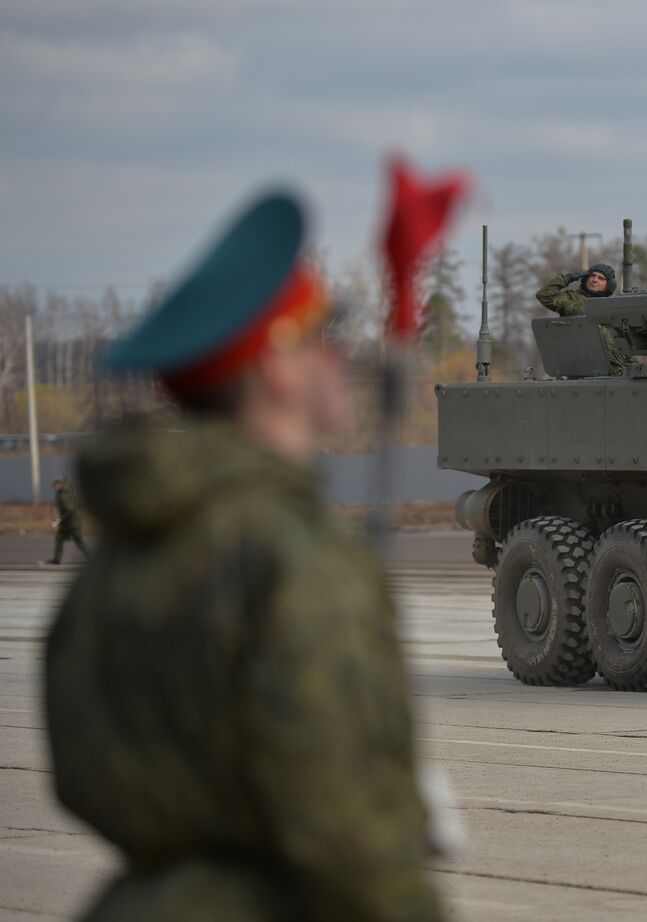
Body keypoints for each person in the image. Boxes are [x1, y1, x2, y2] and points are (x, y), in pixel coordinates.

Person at [44, 190, 444, 921]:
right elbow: (350, 837)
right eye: (325, 333)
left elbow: (84, 773)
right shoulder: (291, 559)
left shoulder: (126, 551)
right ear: (280, 368)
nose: (342, 357)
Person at [535, 263, 625, 373]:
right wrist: (567, 278)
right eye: (592, 276)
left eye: (601, 278)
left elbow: (625, 342)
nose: (595, 280)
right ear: (586, 278)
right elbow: (544, 296)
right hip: (584, 367)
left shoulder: (612, 307)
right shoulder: (572, 299)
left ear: (608, 285)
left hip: (616, 371)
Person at [49, 476, 88, 565]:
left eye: (56, 485)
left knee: (80, 543)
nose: (54, 487)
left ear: (60, 485)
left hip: (74, 524)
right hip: (67, 524)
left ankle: (91, 558)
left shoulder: (64, 495)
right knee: (59, 538)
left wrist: (58, 520)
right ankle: (56, 560)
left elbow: (69, 511)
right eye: (53, 486)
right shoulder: (62, 493)